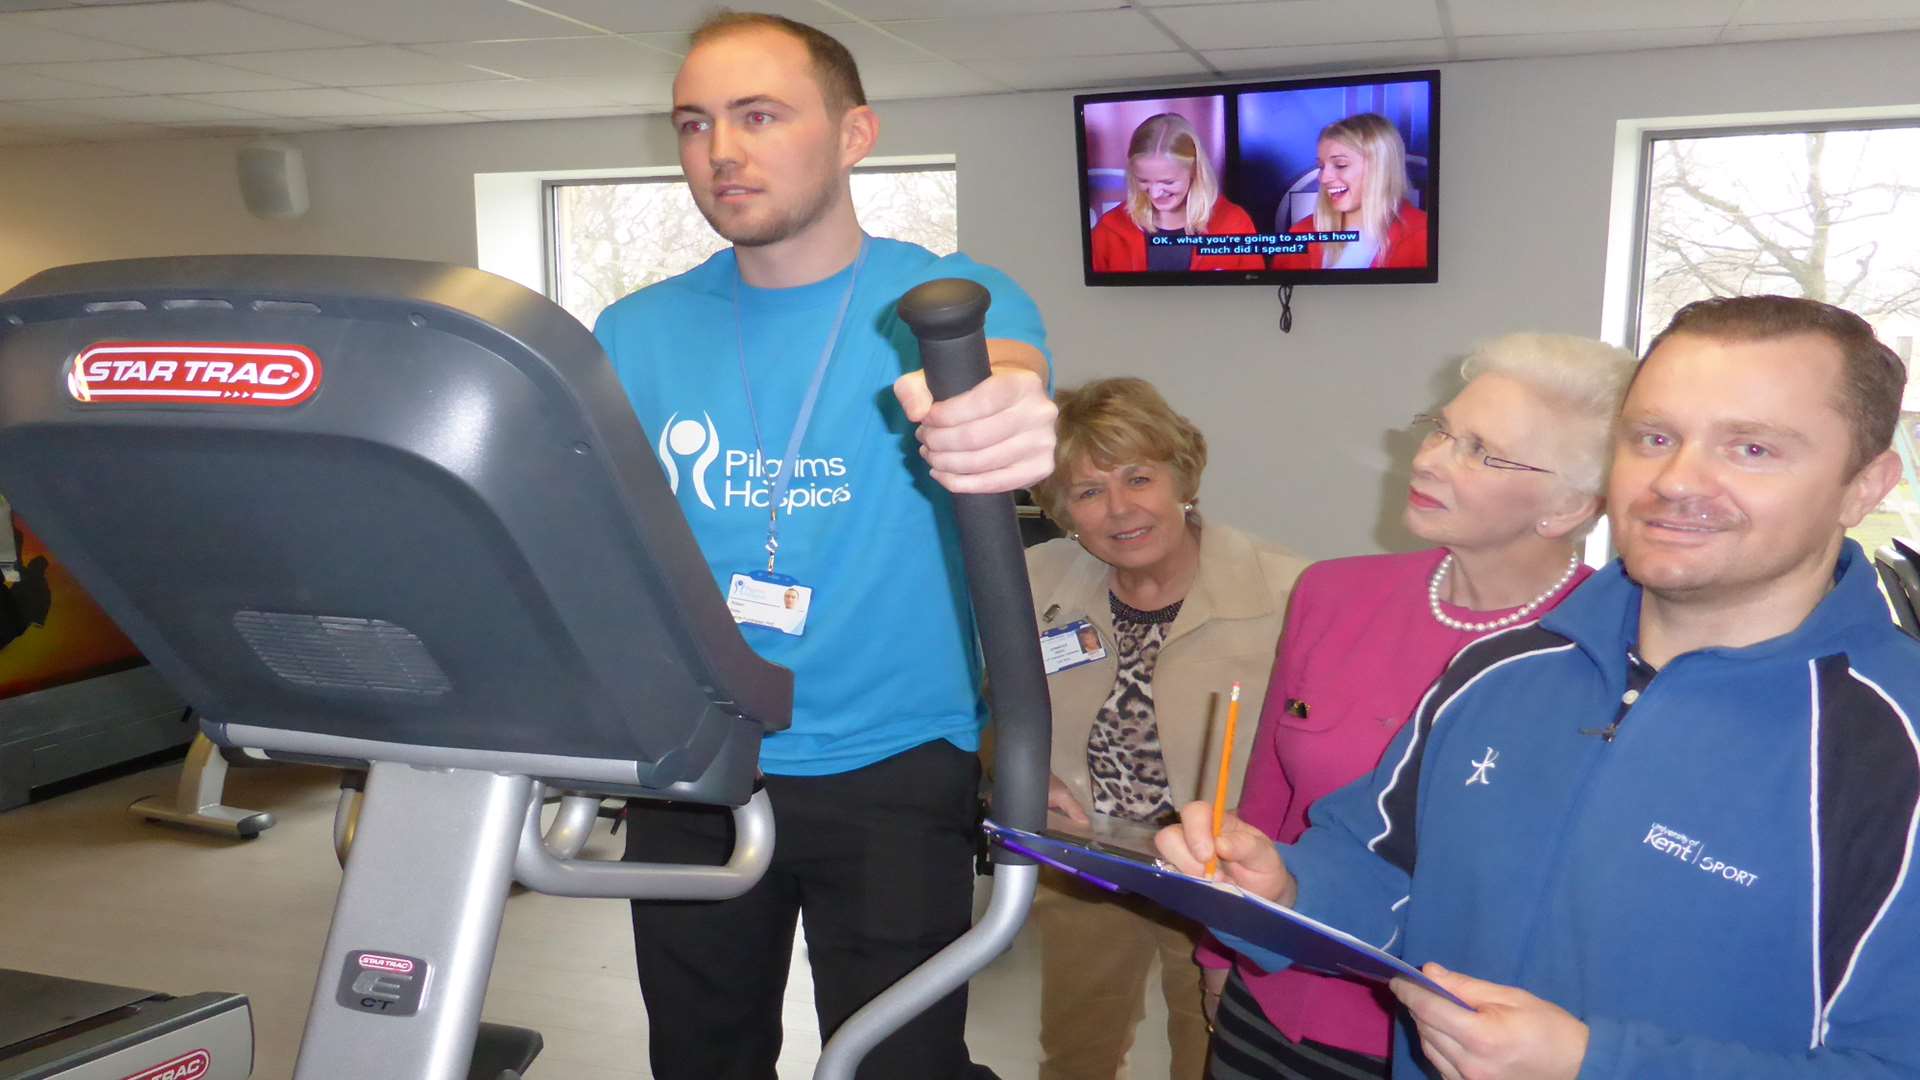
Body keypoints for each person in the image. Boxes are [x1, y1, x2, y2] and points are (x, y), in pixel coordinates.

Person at [1161, 295, 1920, 1079]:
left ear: (1865, 486)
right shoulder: (1505, 666)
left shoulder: (1896, 749)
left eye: (1753, 449)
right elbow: (1379, 871)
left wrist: (1593, 1066)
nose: (1676, 480)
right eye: (1654, 437)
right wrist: (1286, 890)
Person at [591, 13, 1056, 1080]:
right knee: (701, 1058)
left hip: (892, 764)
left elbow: (1005, 376)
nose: (723, 151)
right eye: (695, 123)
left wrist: (1005, 414)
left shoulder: (940, 298)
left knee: (901, 1063)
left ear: (855, 136)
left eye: (760, 116)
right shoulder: (636, 330)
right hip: (694, 767)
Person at [1195, 333, 1635, 1079]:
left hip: (1450, 1040)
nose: (1428, 459)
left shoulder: (1608, 648)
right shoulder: (1334, 593)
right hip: (1275, 992)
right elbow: (1271, 796)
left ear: (1569, 506)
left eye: (1481, 452)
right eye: (1440, 428)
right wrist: (1223, 947)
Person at [1022, 377, 1307, 1080]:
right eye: (1088, 492)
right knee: (1075, 1051)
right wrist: (1022, 768)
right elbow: (982, 697)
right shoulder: (1033, 579)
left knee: (1211, 1047)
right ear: (1062, 512)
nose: (1121, 509)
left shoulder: (1290, 590)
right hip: (1089, 859)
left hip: (1220, 870)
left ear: (1183, 478)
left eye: (1139, 478)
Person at [1091, 113, 1265, 273]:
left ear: (1194, 171)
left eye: (1168, 182)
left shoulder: (1234, 223)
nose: (1155, 193)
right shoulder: (1110, 228)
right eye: (1143, 181)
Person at [1269, 113, 1428, 272]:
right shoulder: (1300, 233)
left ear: (1380, 168)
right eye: (1321, 166)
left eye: (1340, 165)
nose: (1323, 178)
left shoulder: (1423, 233)